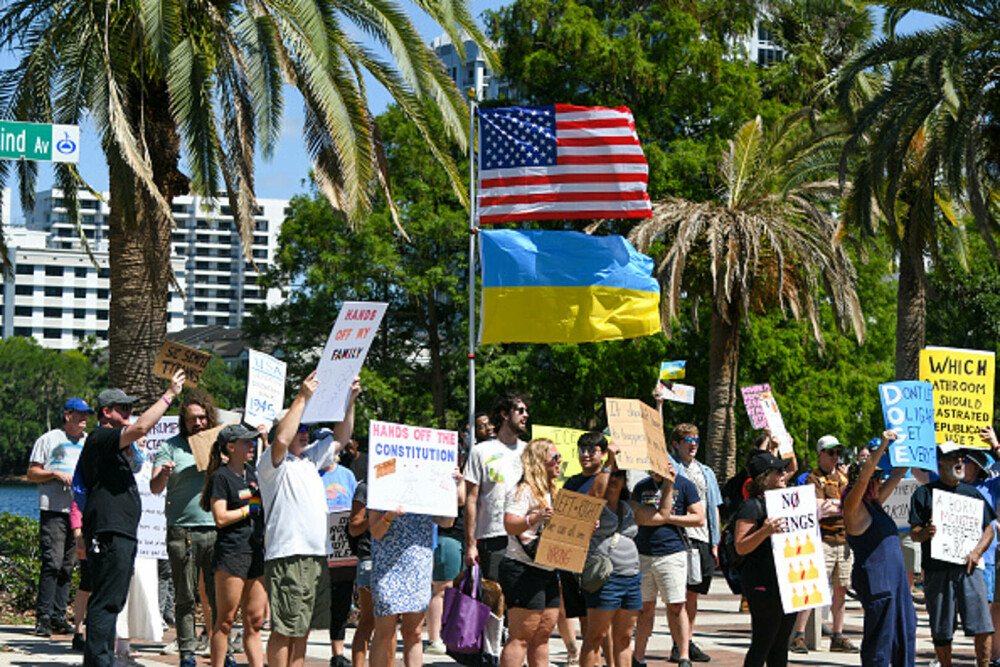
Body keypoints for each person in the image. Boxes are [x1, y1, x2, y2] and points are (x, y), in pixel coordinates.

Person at [78, 370, 185, 667]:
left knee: (112, 600)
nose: (129, 412)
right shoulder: (101, 437)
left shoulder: (117, 448)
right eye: (123, 408)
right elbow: (140, 428)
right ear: (106, 412)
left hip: (120, 531)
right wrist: (170, 395)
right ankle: (100, 661)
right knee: (106, 601)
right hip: (109, 530)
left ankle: (102, 658)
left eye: (131, 408)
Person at [257, 372, 359, 667]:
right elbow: (281, 439)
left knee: (302, 630)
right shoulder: (271, 463)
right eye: (299, 427)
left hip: (316, 556)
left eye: (306, 428)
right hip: (290, 555)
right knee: (285, 629)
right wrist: (302, 397)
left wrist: (349, 401)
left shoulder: (309, 460)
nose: (304, 433)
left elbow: (341, 438)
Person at [151, 389, 227, 667]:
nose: (198, 423)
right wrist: (164, 473)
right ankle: (187, 651)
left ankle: (224, 651)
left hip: (215, 528)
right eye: (193, 419)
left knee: (219, 597)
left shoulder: (219, 444)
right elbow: (154, 487)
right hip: (181, 530)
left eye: (203, 418)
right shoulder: (170, 446)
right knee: (184, 595)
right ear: (183, 419)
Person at [564, 432, 650, 667]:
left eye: (591, 450)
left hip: (630, 577)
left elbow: (661, 515)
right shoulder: (577, 484)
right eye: (582, 450)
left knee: (622, 637)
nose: (585, 455)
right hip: (599, 574)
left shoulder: (626, 504)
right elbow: (594, 497)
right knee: (595, 634)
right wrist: (610, 463)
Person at [910, 440, 996, 667]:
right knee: (941, 627)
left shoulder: (972, 493)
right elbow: (914, 533)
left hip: (969, 569)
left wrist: (977, 552)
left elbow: (990, 528)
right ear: (938, 464)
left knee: (982, 624)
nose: (959, 461)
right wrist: (925, 532)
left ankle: (984, 664)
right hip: (937, 571)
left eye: (962, 458)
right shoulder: (923, 494)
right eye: (952, 457)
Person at [368, 472, 461, 667]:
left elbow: (446, 522)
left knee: (414, 632)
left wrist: (451, 487)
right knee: (384, 632)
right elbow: (376, 532)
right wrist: (390, 515)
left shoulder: (427, 483)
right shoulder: (381, 484)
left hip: (418, 563)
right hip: (388, 566)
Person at [842, 430, 915, 667]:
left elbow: (898, 474)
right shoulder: (853, 509)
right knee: (881, 640)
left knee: (906, 630)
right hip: (877, 581)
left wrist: (914, 443)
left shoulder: (875, 503)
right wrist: (883, 444)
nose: (878, 484)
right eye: (875, 480)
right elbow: (863, 479)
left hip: (896, 581)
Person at [201, 424, 268, 667]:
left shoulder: (254, 474)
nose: (251, 446)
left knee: (255, 621)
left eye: (252, 442)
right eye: (245, 442)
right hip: (231, 552)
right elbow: (220, 518)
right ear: (230, 447)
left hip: (256, 550)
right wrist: (246, 510)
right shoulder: (221, 476)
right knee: (226, 620)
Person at [27, 397, 93, 638]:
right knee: (52, 563)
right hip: (54, 509)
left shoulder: (88, 442)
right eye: (80, 414)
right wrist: (54, 473)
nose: (85, 418)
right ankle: (42, 618)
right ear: (68, 416)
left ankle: (58, 615)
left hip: (78, 513)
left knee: (68, 565)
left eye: (87, 414)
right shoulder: (49, 439)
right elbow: (32, 473)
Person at [632, 462, 704, 667]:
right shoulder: (641, 487)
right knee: (645, 608)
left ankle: (683, 656)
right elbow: (634, 516)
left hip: (672, 553)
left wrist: (666, 518)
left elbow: (699, 518)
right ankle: (638, 656)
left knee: (676, 605)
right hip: (644, 553)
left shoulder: (684, 485)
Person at [789, 435, 856, 654]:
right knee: (812, 588)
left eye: (838, 453)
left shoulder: (844, 478)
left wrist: (834, 505)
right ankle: (798, 635)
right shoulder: (812, 479)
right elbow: (817, 507)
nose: (836, 457)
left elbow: (851, 505)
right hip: (821, 540)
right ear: (820, 454)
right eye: (831, 453)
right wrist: (841, 505)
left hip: (844, 541)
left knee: (841, 589)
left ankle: (837, 635)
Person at [498, 439, 562, 667]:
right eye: (555, 457)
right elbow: (510, 523)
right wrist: (533, 518)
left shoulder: (553, 490)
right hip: (523, 569)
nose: (559, 462)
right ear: (538, 461)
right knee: (522, 636)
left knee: (543, 636)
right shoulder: (524, 490)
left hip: (548, 568)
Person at [665, 422, 721, 663]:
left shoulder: (706, 471)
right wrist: (659, 404)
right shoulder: (671, 467)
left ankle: (687, 639)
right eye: (688, 441)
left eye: (696, 440)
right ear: (676, 444)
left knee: (693, 595)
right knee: (678, 595)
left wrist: (715, 542)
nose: (694, 445)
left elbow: (714, 507)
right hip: (679, 537)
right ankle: (677, 643)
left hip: (703, 539)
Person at [733, 452, 795, 667]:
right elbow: (741, 546)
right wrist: (765, 531)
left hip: (787, 581)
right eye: (778, 471)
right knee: (763, 642)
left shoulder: (786, 503)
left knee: (780, 645)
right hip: (762, 582)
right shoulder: (752, 506)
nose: (783, 474)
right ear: (764, 477)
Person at [464, 392, 529, 580]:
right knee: (496, 603)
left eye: (526, 411)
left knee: (522, 605)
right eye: (520, 410)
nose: (526, 415)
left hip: (526, 536)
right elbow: (471, 500)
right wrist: (470, 545)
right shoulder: (481, 451)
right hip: (493, 537)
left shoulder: (529, 451)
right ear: (505, 415)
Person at [319, 431, 360, 667]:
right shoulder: (312, 472)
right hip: (319, 546)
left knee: (342, 600)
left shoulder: (347, 475)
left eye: (330, 444)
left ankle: (337, 654)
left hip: (343, 548)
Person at [426, 448, 466, 655]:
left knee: (455, 589)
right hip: (445, 536)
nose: (459, 457)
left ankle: (447, 634)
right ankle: (434, 638)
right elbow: (461, 500)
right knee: (441, 588)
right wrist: (457, 482)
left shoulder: (462, 473)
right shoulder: (438, 474)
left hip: (461, 538)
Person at [348, 480, 374, 667]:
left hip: (397, 560)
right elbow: (354, 527)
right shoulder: (366, 486)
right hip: (370, 557)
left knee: (388, 626)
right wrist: (375, 518)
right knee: (368, 621)